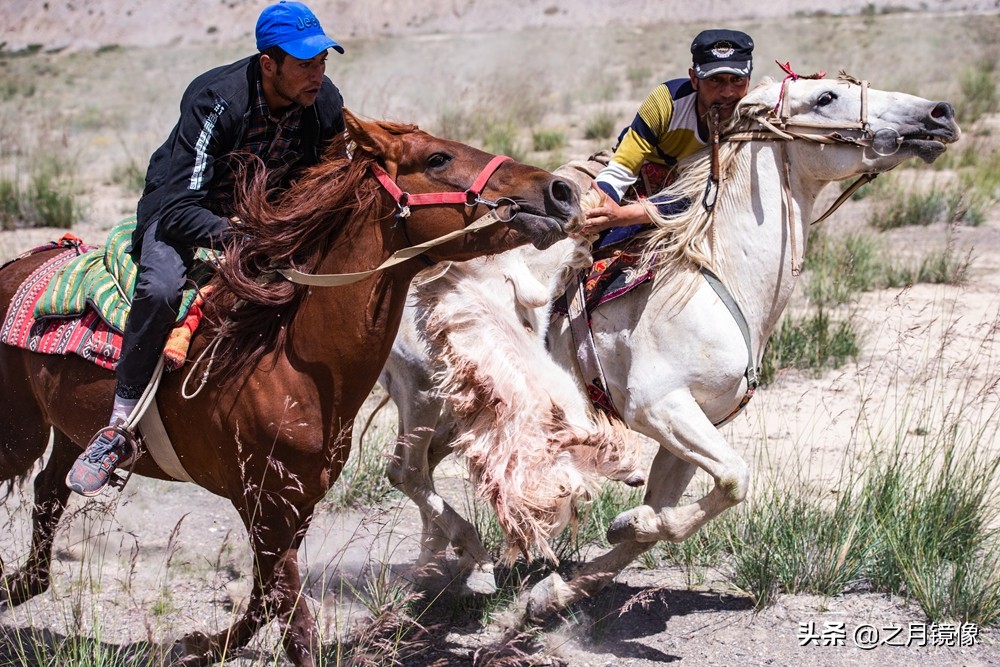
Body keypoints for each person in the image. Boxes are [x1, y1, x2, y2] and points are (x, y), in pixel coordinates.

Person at [66, 1, 347, 496]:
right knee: (160, 288)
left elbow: (324, 183)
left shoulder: (322, 102)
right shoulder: (215, 99)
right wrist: (248, 237)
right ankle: (118, 422)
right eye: (305, 63)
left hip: (268, 218)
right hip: (184, 212)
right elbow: (178, 207)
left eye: (323, 60)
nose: (317, 74)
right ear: (268, 63)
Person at [580, 29, 754, 243]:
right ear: (694, 79)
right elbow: (622, 169)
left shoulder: (751, 122)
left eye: (737, 80)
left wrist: (623, 217)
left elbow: (700, 195)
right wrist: (601, 205)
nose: (727, 92)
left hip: (692, 199)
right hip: (640, 179)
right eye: (715, 80)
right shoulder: (666, 103)